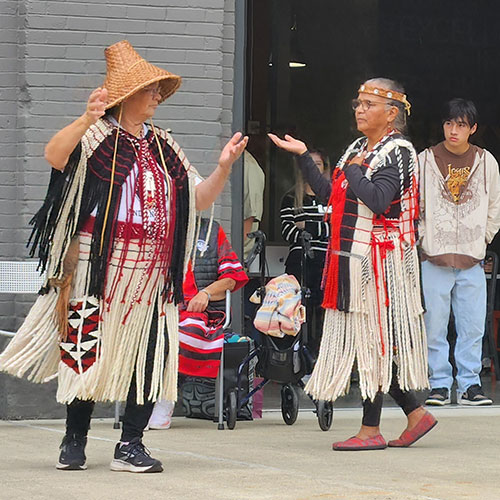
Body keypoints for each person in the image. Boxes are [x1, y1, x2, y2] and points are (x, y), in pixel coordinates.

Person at [0, 40, 247, 472]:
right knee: (86, 348)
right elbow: (54, 157)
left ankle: (130, 445)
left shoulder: (166, 145)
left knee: (150, 353)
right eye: (150, 90)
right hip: (99, 266)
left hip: (152, 271)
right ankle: (73, 441)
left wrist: (224, 166)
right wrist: (85, 117)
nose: (156, 98)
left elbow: (199, 200)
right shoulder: (95, 135)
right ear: (127, 95)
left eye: (157, 91)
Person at [269, 78, 436, 451]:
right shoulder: (358, 148)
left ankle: (370, 430)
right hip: (353, 258)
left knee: (372, 343)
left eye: (369, 104)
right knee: (368, 344)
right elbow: (332, 194)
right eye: (357, 103)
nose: (359, 110)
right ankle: (415, 413)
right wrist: (302, 154)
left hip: (382, 261)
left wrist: (358, 172)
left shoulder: (399, 151)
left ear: (392, 113)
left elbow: (377, 200)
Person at [419, 99, 500, 406]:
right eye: (449, 123)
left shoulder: (485, 161)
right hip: (435, 257)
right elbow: (416, 206)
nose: (454, 130)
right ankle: (438, 383)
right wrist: (424, 239)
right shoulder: (424, 160)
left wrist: (482, 238)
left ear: (473, 129)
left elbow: (495, 206)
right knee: (435, 324)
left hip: (471, 258)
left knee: (472, 325)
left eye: (462, 125)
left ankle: (469, 384)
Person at [148, 218, 248, 428]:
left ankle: (165, 399)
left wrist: (206, 293)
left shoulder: (211, 231)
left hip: (201, 313)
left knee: (182, 333)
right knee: (145, 331)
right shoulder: (157, 226)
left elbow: (231, 278)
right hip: (160, 307)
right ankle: (140, 402)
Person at [280, 149, 331, 357]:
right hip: (299, 264)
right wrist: (319, 228)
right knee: (299, 312)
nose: (314, 168)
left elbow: (337, 231)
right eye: (310, 164)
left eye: (318, 164)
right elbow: (288, 231)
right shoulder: (291, 198)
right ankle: (298, 358)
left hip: (327, 263)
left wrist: (306, 226)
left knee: (325, 313)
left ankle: (322, 356)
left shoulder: (331, 198)